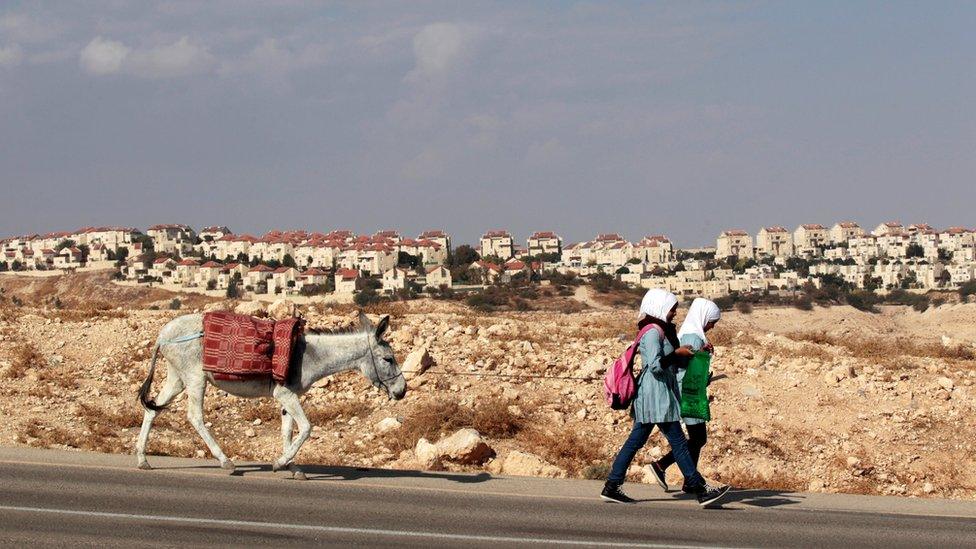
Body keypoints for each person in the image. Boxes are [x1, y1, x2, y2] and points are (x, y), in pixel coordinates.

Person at [601, 289, 730, 507]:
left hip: (658, 395)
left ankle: (612, 485)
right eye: (671, 310)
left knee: (636, 441)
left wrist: (690, 355)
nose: (674, 314)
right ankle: (699, 488)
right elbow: (655, 366)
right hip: (655, 395)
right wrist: (676, 354)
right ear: (659, 308)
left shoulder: (660, 330)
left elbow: (668, 363)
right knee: (678, 442)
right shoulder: (652, 332)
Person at [648, 297, 721, 493]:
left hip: (689, 392)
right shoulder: (693, 336)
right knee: (697, 438)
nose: (712, 326)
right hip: (689, 393)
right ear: (704, 317)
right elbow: (684, 368)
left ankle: (685, 479)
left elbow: (690, 361)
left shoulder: (692, 335)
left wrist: (703, 354)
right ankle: (664, 467)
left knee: (697, 438)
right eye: (712, 322)